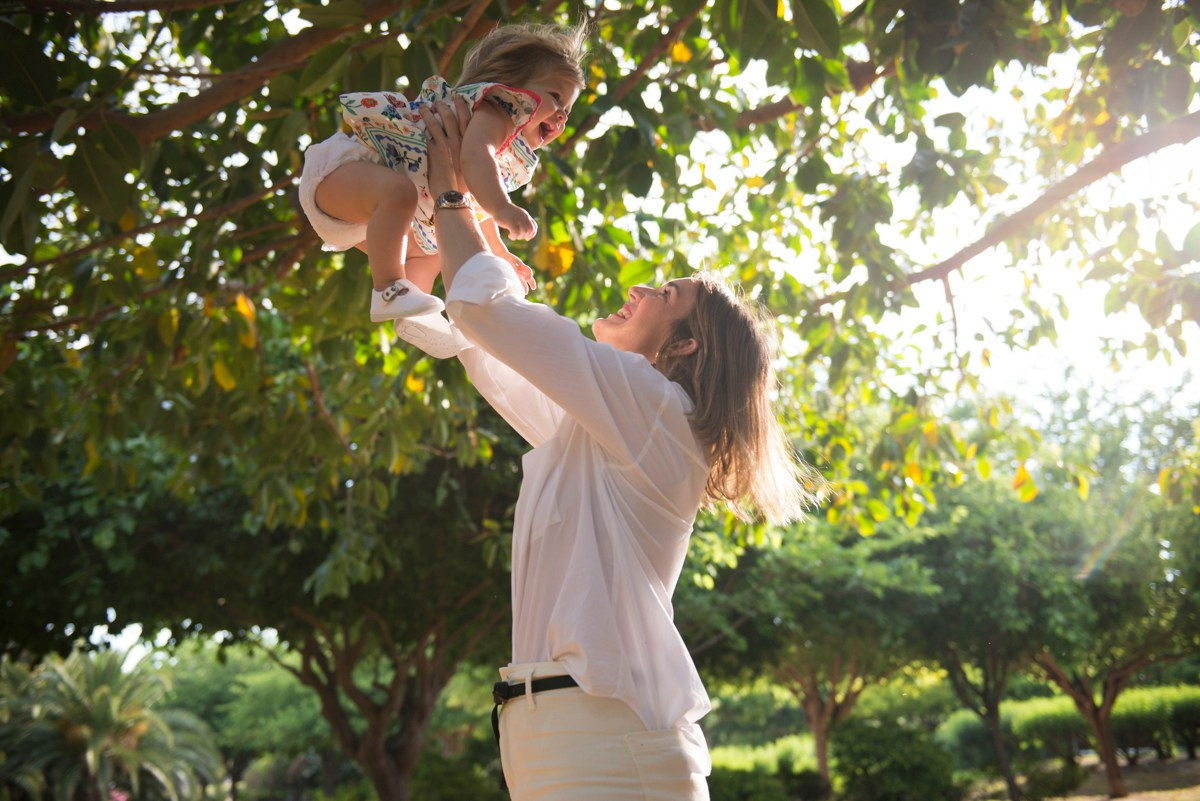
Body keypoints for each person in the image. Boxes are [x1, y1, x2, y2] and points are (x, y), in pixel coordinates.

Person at [406, 95, 826, 800]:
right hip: (562, 735)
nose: (638, 287)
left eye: (664, 292)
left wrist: (454, 189)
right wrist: (454, 211)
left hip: (604, 737)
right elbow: (489, 346)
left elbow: (486, 313)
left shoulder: (658, 408)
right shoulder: (610, 426)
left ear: (684, 346)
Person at [297, 22, 586, 333]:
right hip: (342, 171)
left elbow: (476, 207)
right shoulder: (498, 109)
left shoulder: (502, 149)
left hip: (366, 212)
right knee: (400, 194)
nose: (561, 115)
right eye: (555, 97)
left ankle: (414, 315)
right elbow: (475, 156)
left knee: (434, 250)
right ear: (513, 84)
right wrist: (503, 207)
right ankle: (389, 289)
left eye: (567, 111)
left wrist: (500, 251)